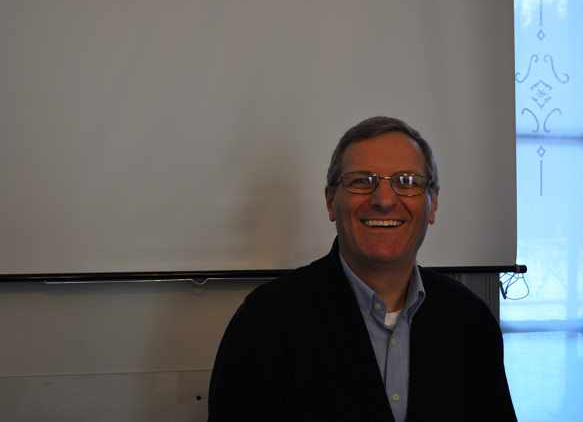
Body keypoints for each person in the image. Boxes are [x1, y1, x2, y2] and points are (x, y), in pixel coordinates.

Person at [208, 116, 517, 422]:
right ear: (331, 201)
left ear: (432, 204)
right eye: (361, 181)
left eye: (407, 182)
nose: (384, 200)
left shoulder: (470, 320)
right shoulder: (265, 320)